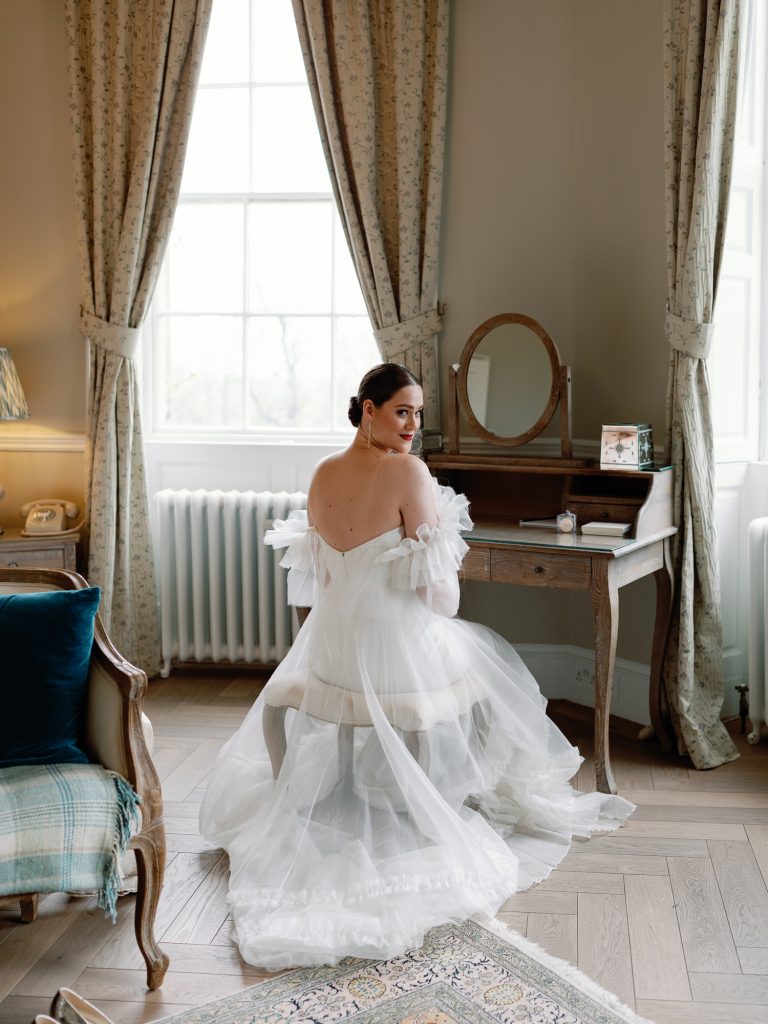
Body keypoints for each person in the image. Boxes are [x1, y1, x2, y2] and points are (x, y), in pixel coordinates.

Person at [199, 362, 634, 970]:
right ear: (368, 410)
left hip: (329, 649)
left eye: (418, 413)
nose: (412, 425)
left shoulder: (323, 472)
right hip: (391, 650)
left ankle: (391, 784)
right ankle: (444, 799)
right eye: (402, 411)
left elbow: (322, 581)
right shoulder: (409, 472)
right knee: (483, 656)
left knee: (463, 651)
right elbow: (439, 600)